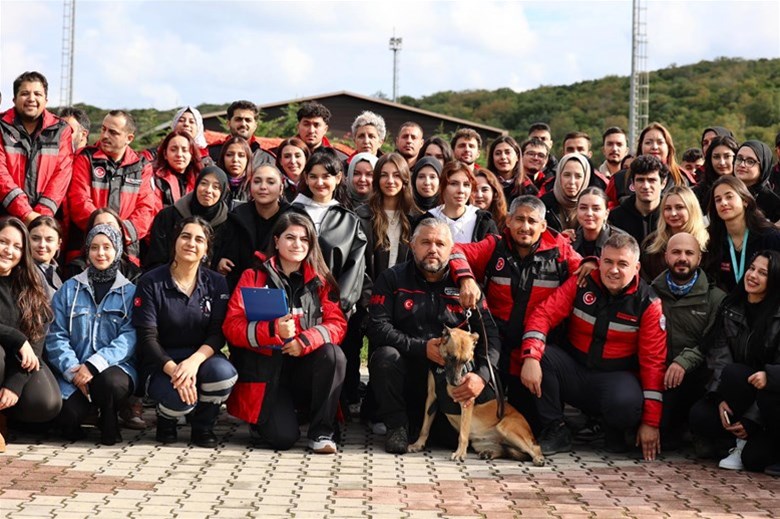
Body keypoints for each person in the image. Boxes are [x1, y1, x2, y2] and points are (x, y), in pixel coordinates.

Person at [519, 233, 667, 461]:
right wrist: (530, 356)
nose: (613, 270)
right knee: (542, 357)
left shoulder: (648, 304)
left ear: (636, 268)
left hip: (614, 379)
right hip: (574, 372)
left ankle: (613, 431)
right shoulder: (582, 282)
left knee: (626, 403)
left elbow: (653, 363)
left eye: (622, 264)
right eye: (608, 262)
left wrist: (651, 423)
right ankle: (556, 428)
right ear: (599, 261)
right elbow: (543, 314)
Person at [450, 195, 586, 431]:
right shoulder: (493, 246)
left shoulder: (560, 252)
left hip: (537, 350)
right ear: (508, 221)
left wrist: (591, 263)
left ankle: (555, 426)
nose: (525, 227)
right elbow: (454, 249)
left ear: (543, 226)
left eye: (532, 221)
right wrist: (466, 278)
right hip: (495, 347)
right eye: (520, 219)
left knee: (531, 424)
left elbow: (588, 270)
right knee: (487, 417)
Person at [367, 218, 500, 453]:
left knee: (447, 440)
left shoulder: (467, 287)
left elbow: (491, 337)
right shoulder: (392, 278)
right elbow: (377, 328)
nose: (433, 249)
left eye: (440, 244)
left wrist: (481, 376)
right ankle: (396, 426)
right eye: (425, 242)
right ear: (412, 245)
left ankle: (429, 427)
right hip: (407, 373)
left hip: (449, 382)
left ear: (452, 249)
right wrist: (421, 348)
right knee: (384, 357)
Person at [223, 212, 347, 453]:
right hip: (268, 376)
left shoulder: (322, 281)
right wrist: (272, 330)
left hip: (305, 368)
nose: (297, 244)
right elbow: (232, 326)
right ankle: (265, 420)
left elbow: (337, 324)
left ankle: (321, 432)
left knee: (334, 355)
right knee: (283, 439)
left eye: (304, 239)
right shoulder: (253, 277)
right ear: (276, 241)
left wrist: (305, 341)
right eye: (290, 237)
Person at [132, 217, 237, 448]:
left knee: (223, 374)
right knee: (178, 400)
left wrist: (193, 362)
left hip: (201, 358)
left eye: (199, 240)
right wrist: (175, 371)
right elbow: (147, 338)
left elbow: (218, 333)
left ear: (206, 250)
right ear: (175, 242)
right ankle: (166, 418)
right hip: (161, 362)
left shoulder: (217, 283)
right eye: (185, 237)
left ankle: (203, 426)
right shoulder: (150, 282)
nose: (191, 243)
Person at [690, 250, 780, 474]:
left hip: (769, 398)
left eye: (763, 273)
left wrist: (752, 419)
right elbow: (718, 357)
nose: (753, 275)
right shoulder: (731, 306)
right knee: (701, 415)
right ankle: (736, 441)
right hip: (738, 387)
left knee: (755, 460)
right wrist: (720, 397)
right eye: (751, 268)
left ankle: (748, 439)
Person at [46, 224, 137, 445]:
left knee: (109, 383)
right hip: (75, 371)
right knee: (66, 415)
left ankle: (109, 417)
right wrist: (73, 371)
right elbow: (56, 335)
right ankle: (85, 413)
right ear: (87, 251)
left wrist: (95, 364)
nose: (100, 253)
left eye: (107, 247)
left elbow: (130, 336)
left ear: (117, 250)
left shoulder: (130, 292)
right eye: (94, 247)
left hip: (113, 369)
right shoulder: (68, 289)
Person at [651, 232, 726, 448]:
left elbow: (712, 342)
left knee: (701, 420)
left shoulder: (716, 298)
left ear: (699, 258)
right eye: (676, 252)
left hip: (699, 378)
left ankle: (696, 430)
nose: (682, 258)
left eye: (689, 253)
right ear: (666, 256)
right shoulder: (650, 292)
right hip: (662, 376)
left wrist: (684, 361)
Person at [0, 217, 61, 448]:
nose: (9, 250)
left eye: (17, 246)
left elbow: (37, 335)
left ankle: (6, 415)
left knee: (46, 402)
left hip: (17, 359)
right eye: (3, 242)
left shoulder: (29, 280)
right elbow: (21, 339)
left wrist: (15, 384)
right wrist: (17, 338)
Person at [68, 110, 155, 264]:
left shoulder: (141, 166)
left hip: (127, 254)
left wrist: (118, 233)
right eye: (103, 129)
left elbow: (146, 210)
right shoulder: (85, 157)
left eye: (113, 132)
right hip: (84, 252)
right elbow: (79, 201)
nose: (105, 135)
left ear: (129, 138)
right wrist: (104, 233)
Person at [291, 148, 367, 314]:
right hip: (293, 305)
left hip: (334, 308)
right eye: (313, 176)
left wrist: (338, 305)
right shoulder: (291, 214)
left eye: (326, 176)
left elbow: (354, 268)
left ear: (338, 178)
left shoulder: (348, 220)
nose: (319, 182)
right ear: (306, 178)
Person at [0, 71, 73, 224]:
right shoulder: (2, 125)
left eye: (37, 94)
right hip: (5, 220)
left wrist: (40, 218)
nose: (31, 99)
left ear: (46, 100)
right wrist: (26, 214)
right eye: (25, 93)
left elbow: (61, 176)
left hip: (46, 221)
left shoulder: (61, 130)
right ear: (14, 99)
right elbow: (1, 174)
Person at [216, 165, 291, 291]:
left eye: (270, 182)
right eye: (257, 181)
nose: (263, 187)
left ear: (281, 188)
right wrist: (221, 262)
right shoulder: (237, 216)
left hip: (283, 287)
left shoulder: (291, 218)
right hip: (241, 288)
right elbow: (223, 252)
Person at [704, 175, 780, 294]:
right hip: (729, 304)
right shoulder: (715, 241)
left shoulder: (770, 238)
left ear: (745, 200)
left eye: (729, 197)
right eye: (718, 200)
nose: (723, 203)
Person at [145, 166, 230, 270]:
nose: (208, 190)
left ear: (223, 192)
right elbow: (155, 259)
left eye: (216, 187)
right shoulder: (168, 216)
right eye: (204, 183)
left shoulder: (227, 223)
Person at [641, 186, 708, 282]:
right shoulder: (651, 244)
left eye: (679, 207)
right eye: (668, 208)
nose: (673, 213)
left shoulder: (708, 243)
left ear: (692, 209)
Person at [422, 161, 497, 243]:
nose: (461, 190)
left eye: (466, 185)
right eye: (454, 184)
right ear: (441, 186)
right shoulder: (426, 221)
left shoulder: (483, 222)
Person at [608, 155, 668, 245]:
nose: (646, 186)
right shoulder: (616, 217)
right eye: (640, 180)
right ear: (632, 183)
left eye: (652, 180)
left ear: (663, 183)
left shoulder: (671, 215)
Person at [207, 100, 275, 169]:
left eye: (248, 120)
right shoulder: (211, 153)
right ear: (228, 123)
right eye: (238, 119)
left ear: (255, 125)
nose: (243, 124)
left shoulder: (267, 159)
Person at [152, 130, 202, 211]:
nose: (179, 154)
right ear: (165, 154)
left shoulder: (200, 179)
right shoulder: (154, 178)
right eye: (173, 149)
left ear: (192, 155)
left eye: (184, 150)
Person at [540, 153, 592, 233]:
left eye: (578, 176)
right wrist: (559, 237)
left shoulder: (593, 206)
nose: (572, 182)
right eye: (567, 175)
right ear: (559, 175)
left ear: (585, 178)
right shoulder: (543, 205)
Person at [569, 187, 625, 257]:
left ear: (606, 213)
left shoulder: (621, 242)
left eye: (596, 209)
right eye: (583, 208)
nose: (589, 213)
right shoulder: (570, 240)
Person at [734, 140, 780, 223]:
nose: (742, 164)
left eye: (750, 161)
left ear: (763, 166)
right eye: (739, 159)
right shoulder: (725, 192)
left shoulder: (773, 204)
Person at [635, 122, 693, 186]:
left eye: (660, 142)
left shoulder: (681, 178)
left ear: (668, 147)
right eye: (648, 143)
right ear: (640, 146)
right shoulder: (627, 176)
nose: (654, 147)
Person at [486, 136, 536, 204]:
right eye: (498, 153)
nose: (503, 157)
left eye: (507, 152)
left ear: (517, 157)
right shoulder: (484, 183)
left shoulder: (528, 188)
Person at [693, 135, 738, 209]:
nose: (722, 162)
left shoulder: (746, 187)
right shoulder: (698, 193)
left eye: (727, 156)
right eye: (716, 157)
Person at [28, 215, 63, 298]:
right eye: (35, 239)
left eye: (49, 240)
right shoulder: (23, 272)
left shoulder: (56, 273)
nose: (42, 245)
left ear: (58, 244)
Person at [275, 137, 310, 202]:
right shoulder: (275, 185)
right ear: (280, 161)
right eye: (287, 156)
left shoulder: (313, 184)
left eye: (297, 156)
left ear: (306, 159)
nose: (293, 161)